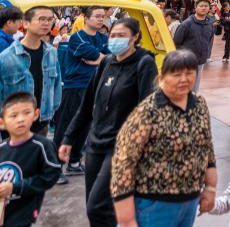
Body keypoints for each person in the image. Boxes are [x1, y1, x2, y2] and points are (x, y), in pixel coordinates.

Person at [61, 16, 158, 227]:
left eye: (122, 35)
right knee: (95, 205)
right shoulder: (106, 62)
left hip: (122, 147)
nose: (115, 39)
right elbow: (87, 105)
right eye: (113, 35)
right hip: (96, 142)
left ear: (135, 37)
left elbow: (148, 110)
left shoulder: (144, 63)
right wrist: (68, 138)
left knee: (96, 206)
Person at [110, 50, 218, 227]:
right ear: (162, 77)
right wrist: (126, 219)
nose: (184, 79)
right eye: (176, 74)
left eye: (189, 73)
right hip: (154, 205)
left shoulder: (199, 104)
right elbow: (123, 163)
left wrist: (210, 187)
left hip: (190, 202)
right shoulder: (147, 112)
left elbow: (207, 147)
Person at [0, 91, 62, 227]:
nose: (20, 119)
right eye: (13, 115)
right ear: (1, 123)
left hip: (23, 214)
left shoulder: (42, 146)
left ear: (36, 114)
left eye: (26, 113)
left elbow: (51, 175)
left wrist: (15, 187)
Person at [0, 6, 61, 149]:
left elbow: (56, 87)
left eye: (49, 20)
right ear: (26, 23)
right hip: (10, 130)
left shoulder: (51, 53)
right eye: (41, 19)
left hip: (40, 127)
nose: (46, 23)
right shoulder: (7, 57)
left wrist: (49, 114)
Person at [52, 5, 107, 180]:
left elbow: (112, 57)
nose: (101, 19)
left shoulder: (103, 38)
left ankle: (74, 161)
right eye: (97, 16)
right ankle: (56, 167)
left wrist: (101, 59)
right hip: (75, 86)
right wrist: (101, 59)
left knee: (86, 124)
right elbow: (95, 55)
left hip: (95, 86)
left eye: (103, 16)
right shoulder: (77, 38)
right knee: (66, 124)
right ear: (86, 18)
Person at [172, 0, 217, 92]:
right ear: (195, 8)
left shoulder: (209, 24)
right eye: (201, 6)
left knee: (195, 87)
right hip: (187, 61)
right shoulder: (186, 24)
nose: (203, 8)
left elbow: (209, 40)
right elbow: (176, 42)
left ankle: (193, 100)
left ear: (209, 8)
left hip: (200, 61)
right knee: (185, 87)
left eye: (206, 6)